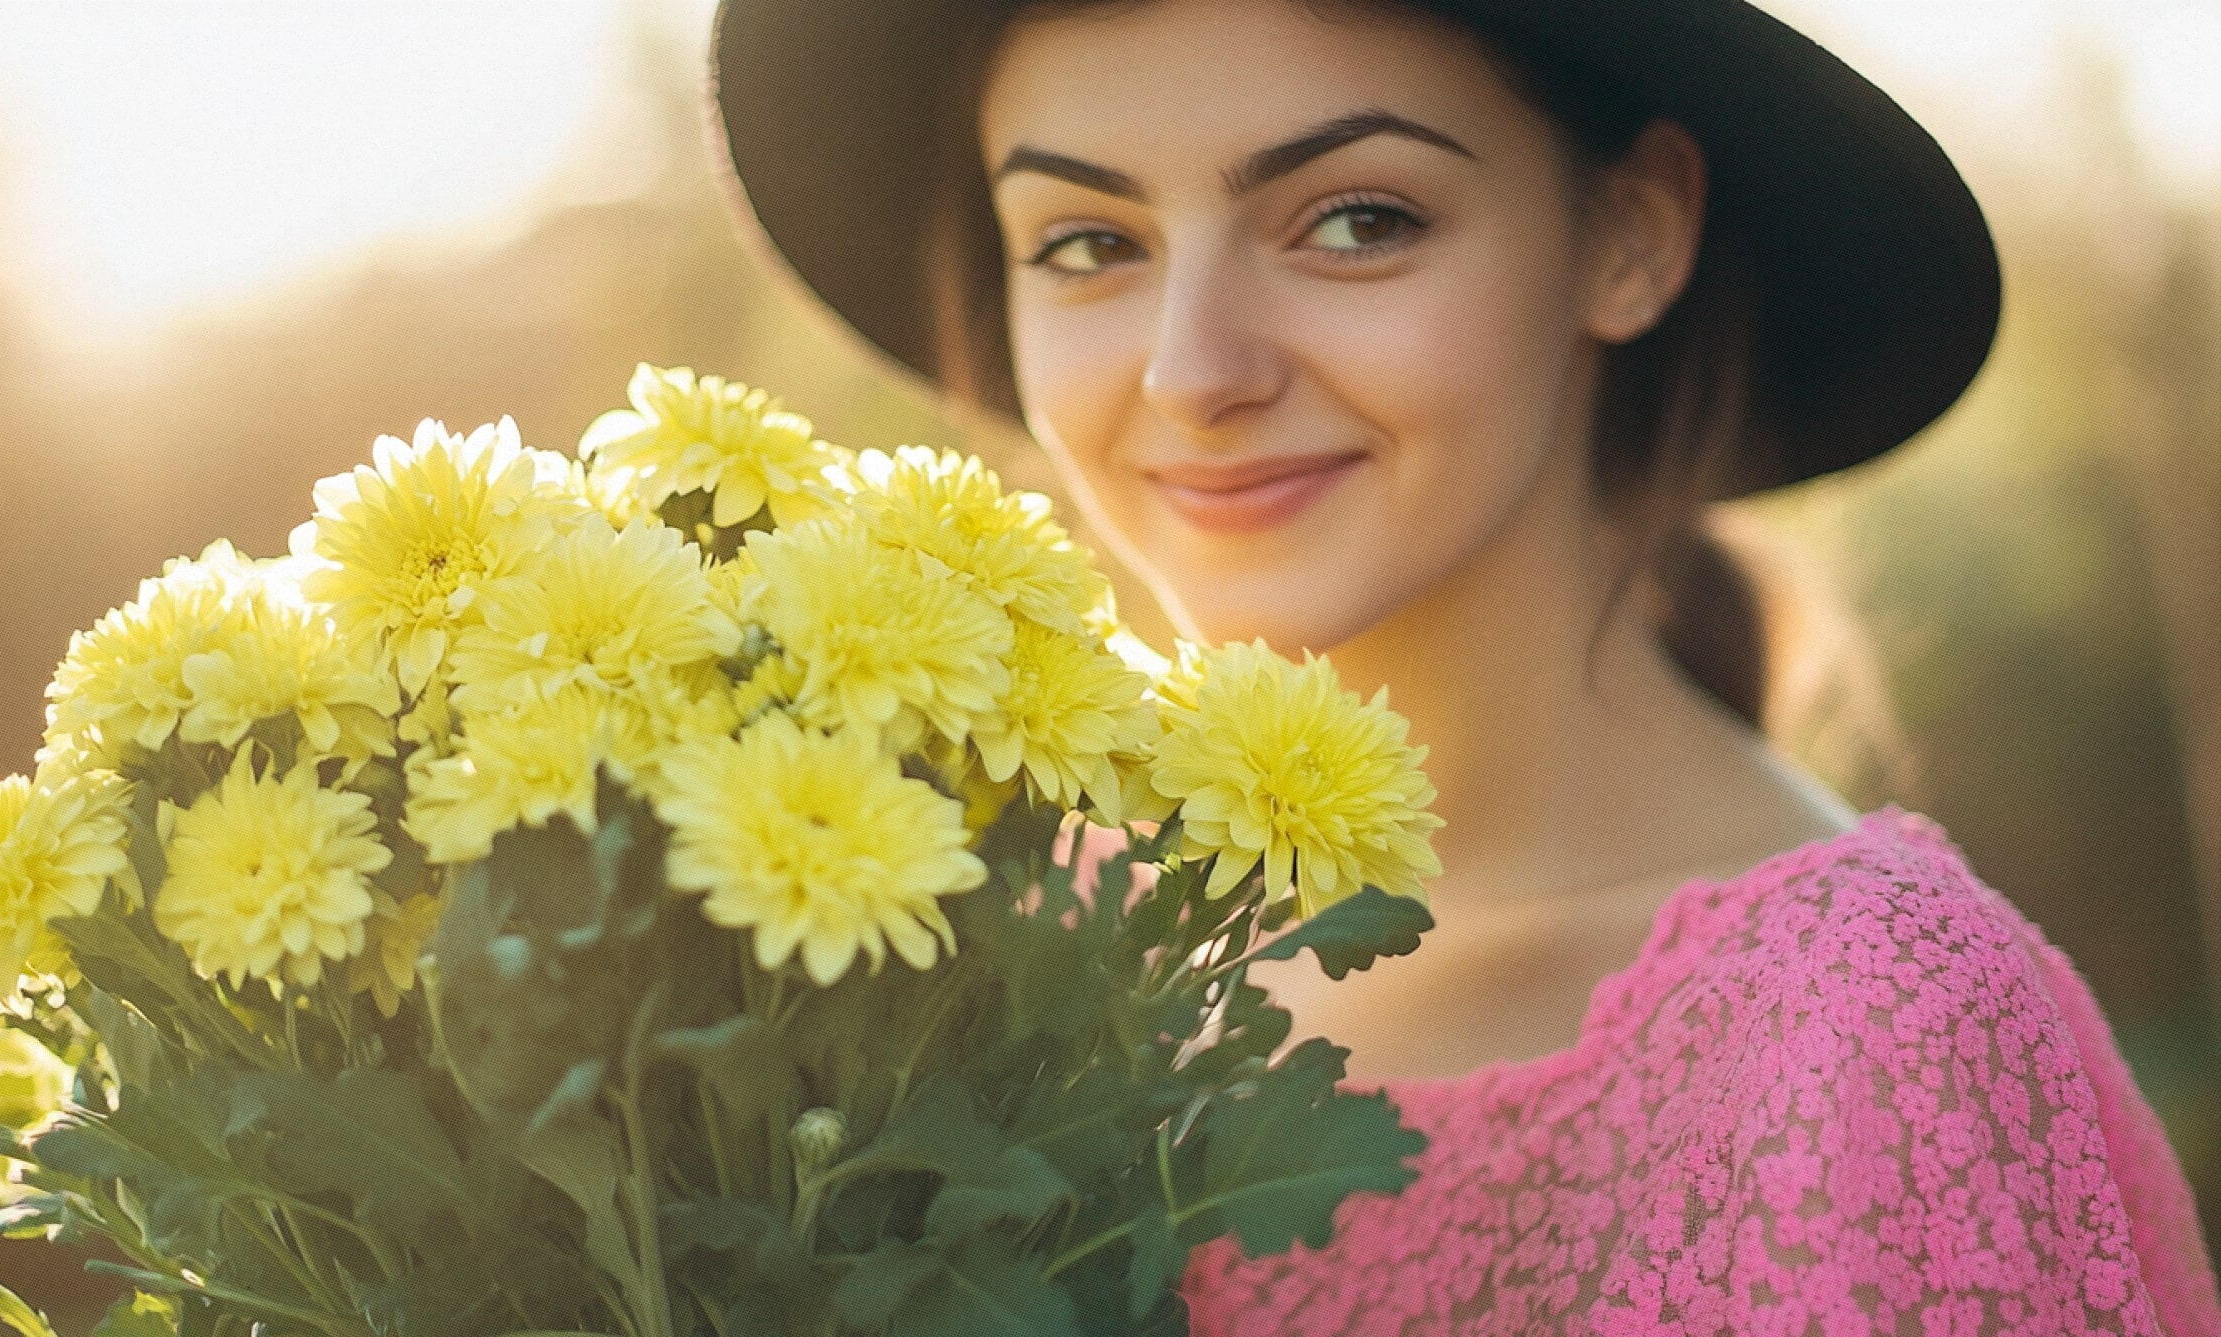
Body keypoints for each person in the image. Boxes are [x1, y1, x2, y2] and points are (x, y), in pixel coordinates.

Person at [704, 0, 2221, 1331]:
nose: (1191, 369)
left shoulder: (1873, 1032)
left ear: (1631, 234)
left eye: (1354, 219)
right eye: (1089, 242)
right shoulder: (917, 937)